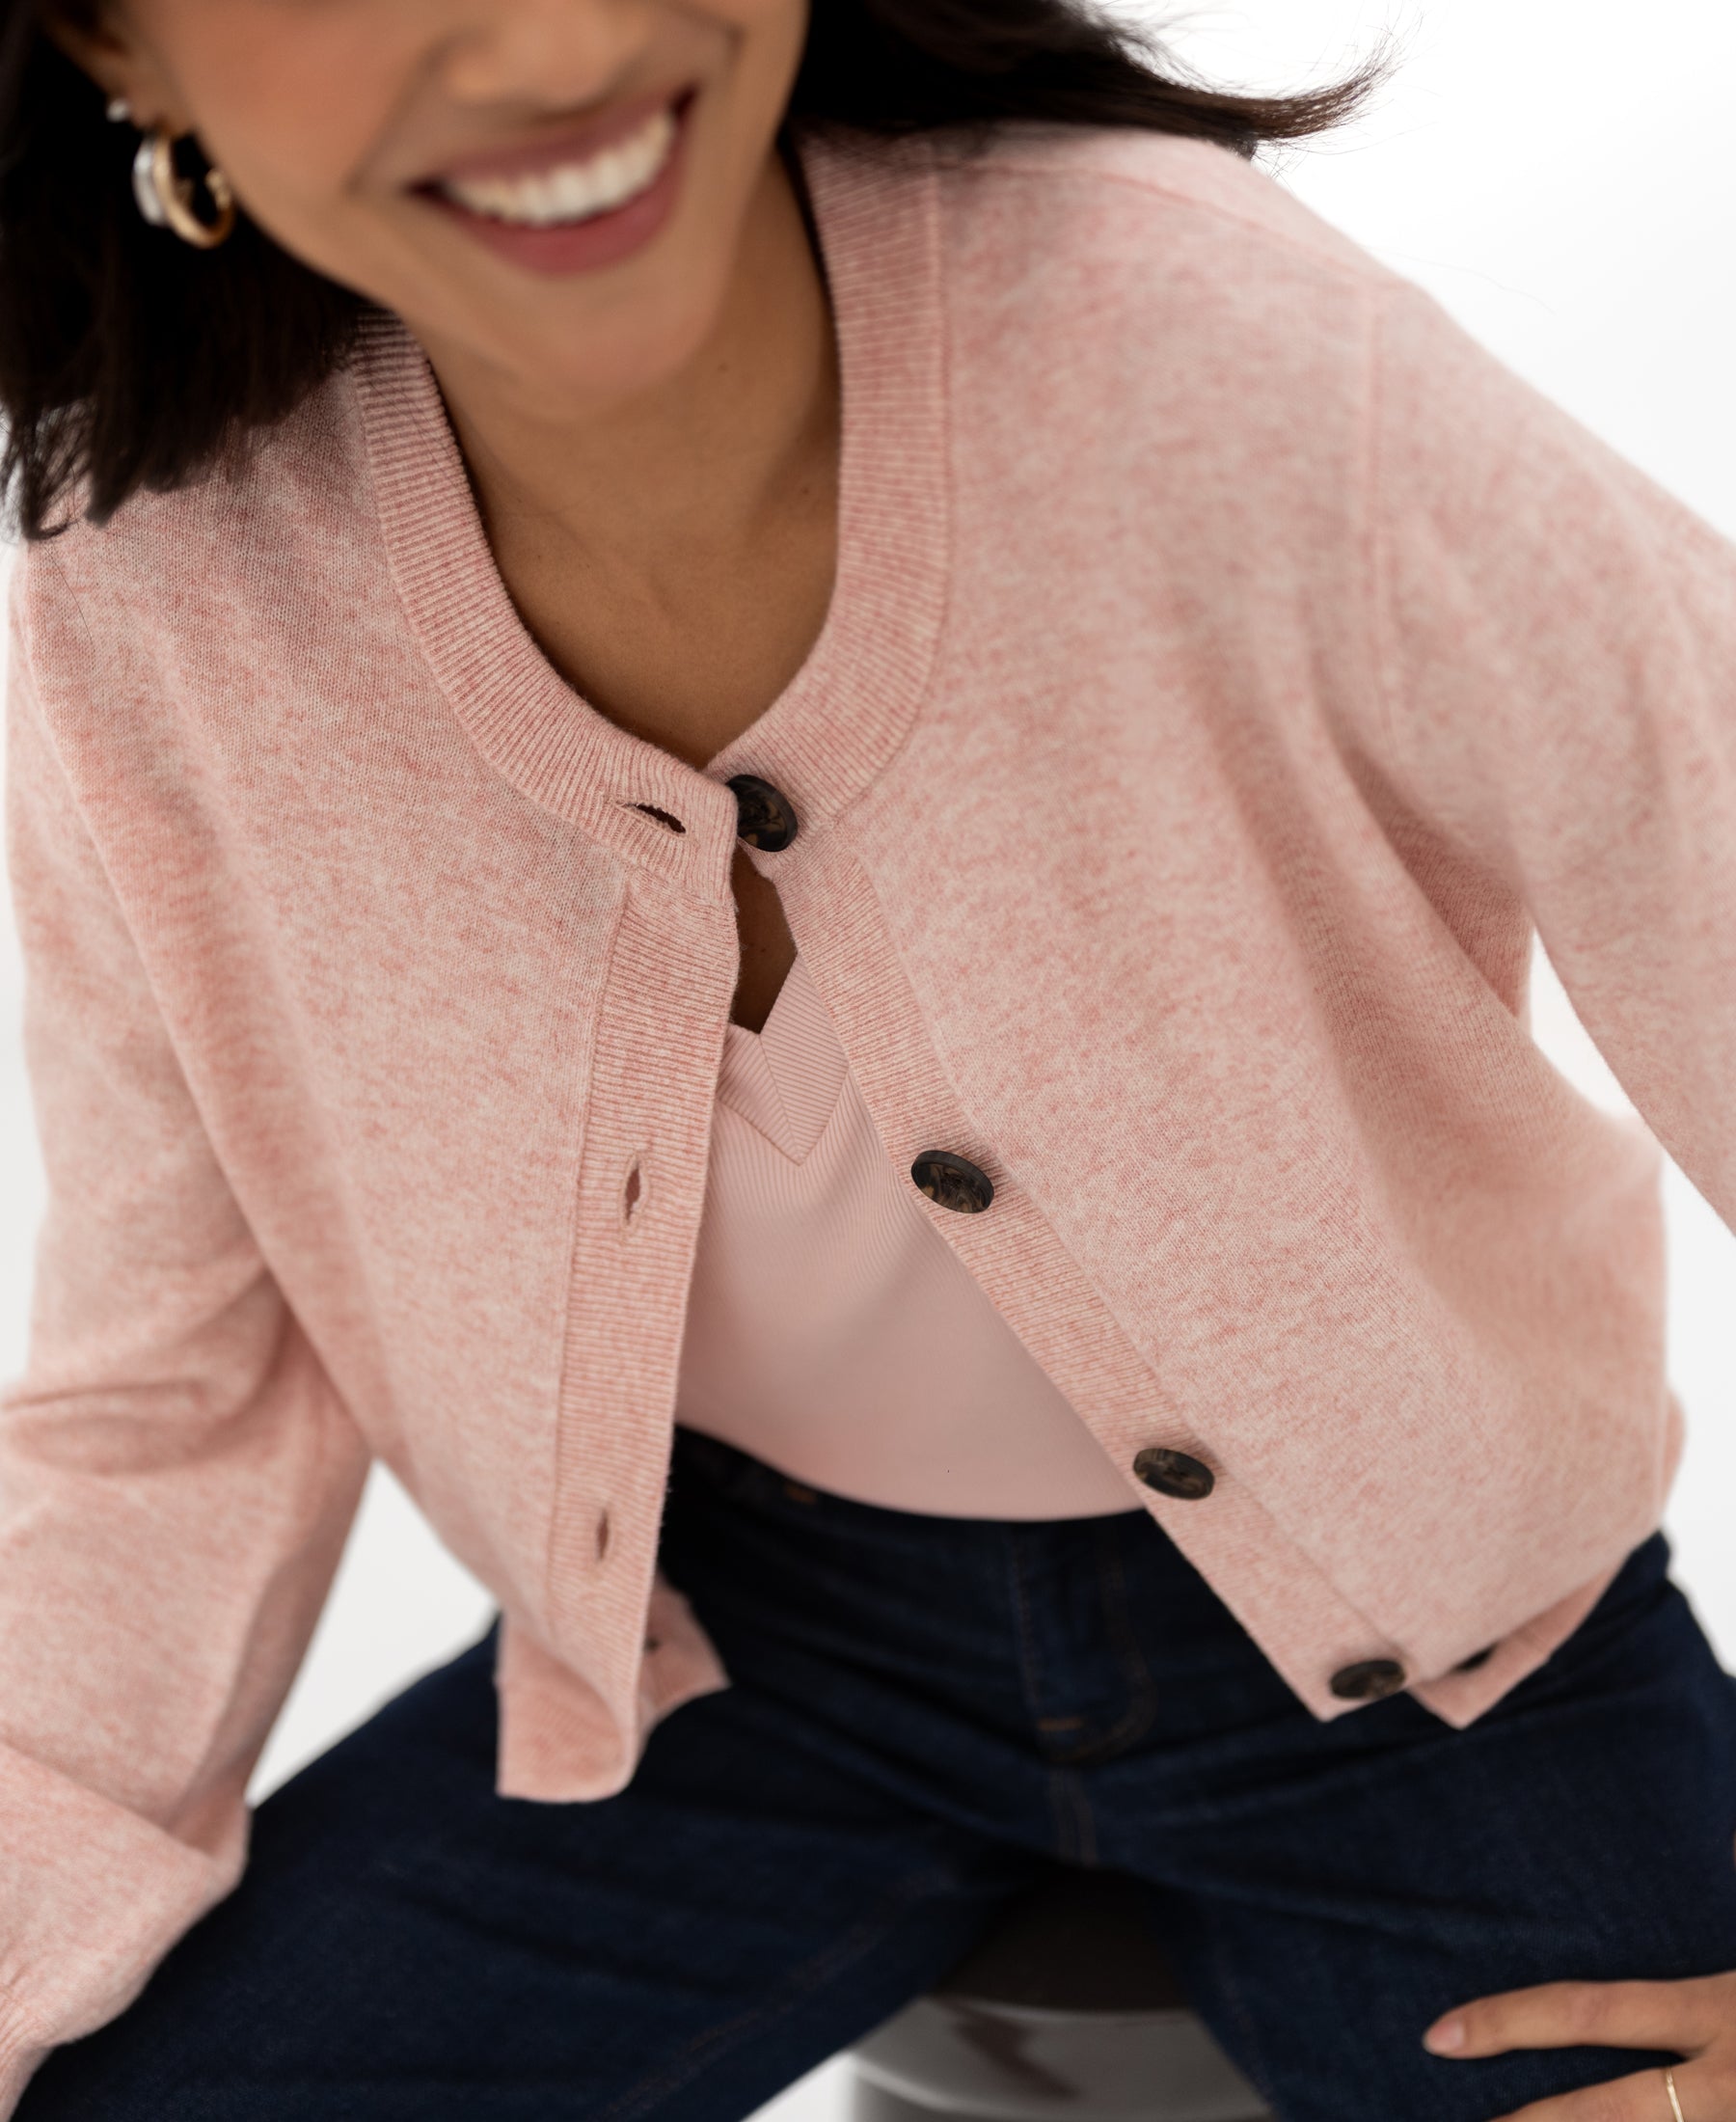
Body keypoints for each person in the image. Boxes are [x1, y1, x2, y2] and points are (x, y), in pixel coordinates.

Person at [1, 0, 1733, 2116]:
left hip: (1465, 1658)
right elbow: (161, 1394)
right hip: (729, 1658)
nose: (559, 44)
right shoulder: (153, 591)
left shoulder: (1216, 355)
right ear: (121, 53)